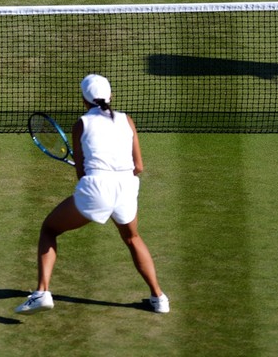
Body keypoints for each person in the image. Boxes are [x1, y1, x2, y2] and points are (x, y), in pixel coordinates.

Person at [15, 74, 169, 315]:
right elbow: (138, 166)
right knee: (133, 238)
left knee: (49, 229)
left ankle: (42, 292)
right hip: (127, 187)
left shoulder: (81, 124)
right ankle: (159, 298)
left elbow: (81, 172)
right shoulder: (127, 120)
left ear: (84, 101)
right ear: (111, 97)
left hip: (97, 188)